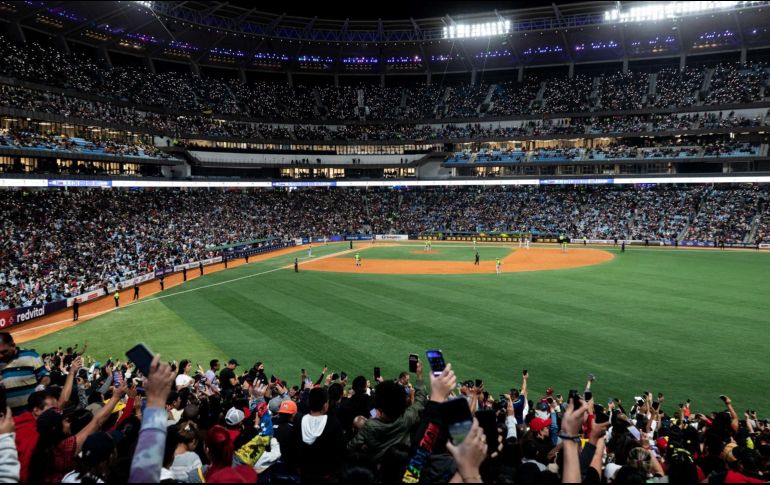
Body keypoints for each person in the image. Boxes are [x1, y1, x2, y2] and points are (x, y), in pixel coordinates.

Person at [0, 332, 49, 415]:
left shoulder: (31, 356)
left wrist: (41, 386)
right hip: (9, 418)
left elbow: (45, 376)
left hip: (33, 414)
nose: (0, 356)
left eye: (4, 352)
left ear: (13, 345)